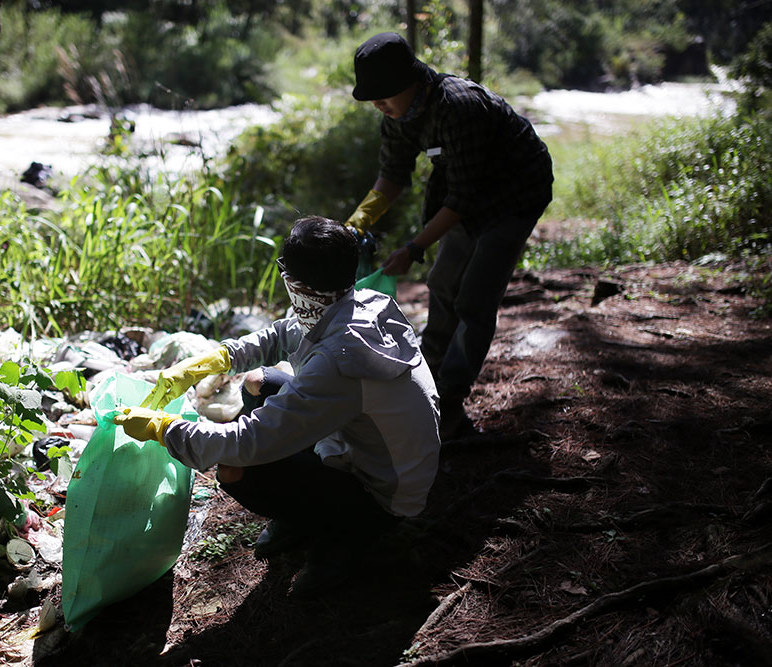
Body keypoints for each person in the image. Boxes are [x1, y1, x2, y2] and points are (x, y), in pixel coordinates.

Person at [114, 216, 441, 597]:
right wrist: (212, 360)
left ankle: (344, 537)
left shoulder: (340, 362)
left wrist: (165, 429)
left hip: (382, 494)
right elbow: (280, 334)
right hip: (364, 447)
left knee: (236, 469)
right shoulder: (353, 301)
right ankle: (306, 512)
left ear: (298, 285)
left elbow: (247, 442)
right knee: (257, 381)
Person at [345, 32, 554, 441]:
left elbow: (461, 198)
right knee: (442, 282)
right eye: (373, 97)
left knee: (475, 298)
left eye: (384, 95)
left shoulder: (458, 106)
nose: (378, 104)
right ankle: (429, 379)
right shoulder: (397, 115)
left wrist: (414, 247)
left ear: (412, 81)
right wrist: (356, 224)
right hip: (468, 195)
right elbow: (393, 175)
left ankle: (451, 402)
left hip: (515, 193)